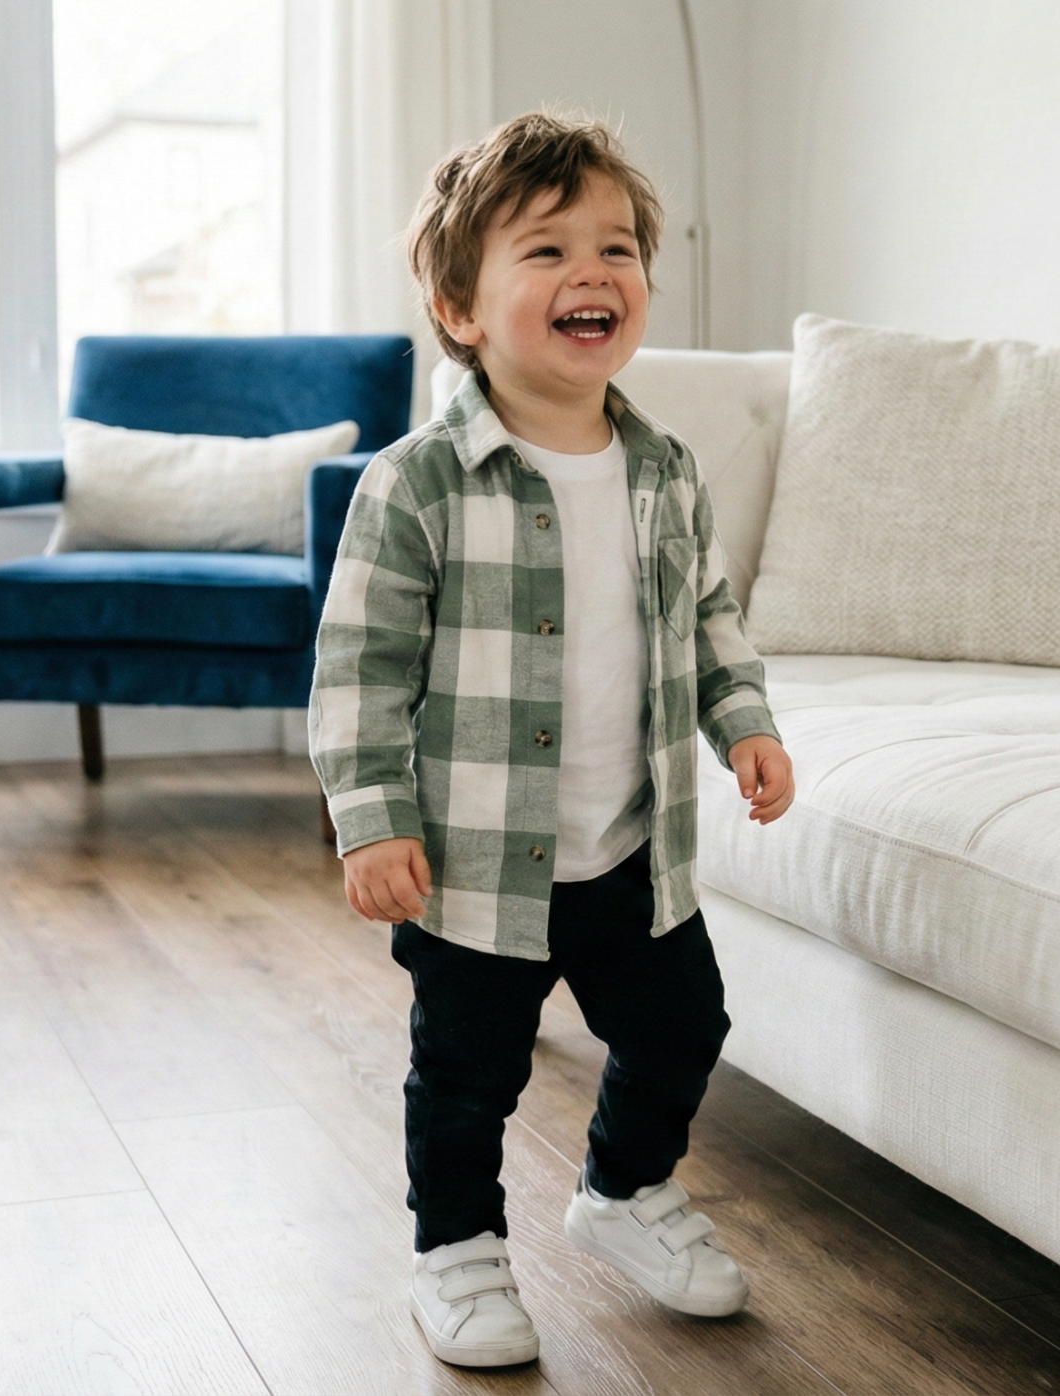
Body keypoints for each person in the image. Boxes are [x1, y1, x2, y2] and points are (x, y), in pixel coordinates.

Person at [308, 111, 795, 1368]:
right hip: (473, 863)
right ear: (458, 304)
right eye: (545, 250)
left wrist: (743, 722)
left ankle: (625, 1191)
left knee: (686, 1025)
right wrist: (373, 819)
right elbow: (357, 669)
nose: (594, 271)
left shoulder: (667, 470)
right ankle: (456, 1249)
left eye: (618, 246)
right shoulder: (414, 484)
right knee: (466, 1076)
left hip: (632, 848)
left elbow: (709, 614)